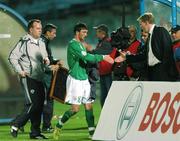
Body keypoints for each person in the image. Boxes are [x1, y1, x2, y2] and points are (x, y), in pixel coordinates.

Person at [53, 22, 114, 140]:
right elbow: (85, 57)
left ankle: (91, 133)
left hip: (84, 79)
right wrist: (102, 57)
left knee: (89, 105)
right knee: (75, 109)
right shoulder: (73, 44)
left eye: (86, 32)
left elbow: (87, 57)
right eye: (84, 32)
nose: (86, 34)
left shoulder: (81, 44)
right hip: (75, 79)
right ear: (77, 32)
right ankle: (59, 124)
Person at [8, 19, 49, 139]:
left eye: (41, 28)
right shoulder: (24, 42)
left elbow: (45, 57)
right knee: (32, 104)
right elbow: (12, 57)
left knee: (40, 105)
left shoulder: (42, 42)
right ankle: (16, 124)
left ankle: (35, 133)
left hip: (40, 78)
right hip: (28, 77)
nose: (40, 30)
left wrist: (47, 61)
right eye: (37, 28)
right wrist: (20, 71)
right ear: (30, 29)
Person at [115, 12, 178, 81]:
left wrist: (165, 70)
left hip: (162, 72)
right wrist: (126, 57)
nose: (140, 27)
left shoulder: (160, 31)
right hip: (153, 72)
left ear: (146, 22)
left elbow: (167, 51)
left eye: (141, 24)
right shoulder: (150, 37)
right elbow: (143, 55)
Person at [41, 23, 62, 132]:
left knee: (39, 102)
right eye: (53, 33)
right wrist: (51, 67)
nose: (55, 35)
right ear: (48, 33)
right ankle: (46, 126)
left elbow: (47, 59)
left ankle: (19, 122)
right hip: (44, 77)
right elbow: (41, 61)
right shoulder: (42, 43)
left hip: (44, 76)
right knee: (48, 101)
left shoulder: (45, 42)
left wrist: (55, 61)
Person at [91, 24, 115, 107]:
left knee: (109, 96)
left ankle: (111, 115)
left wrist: (89, 52)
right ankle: (105, 117)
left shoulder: (107, 42)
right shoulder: (102, 43)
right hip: (103, 73)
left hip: (109, 73)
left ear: (103, 33)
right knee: (103, 97)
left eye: (98, 32)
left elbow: (98, 52)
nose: (96, 34)